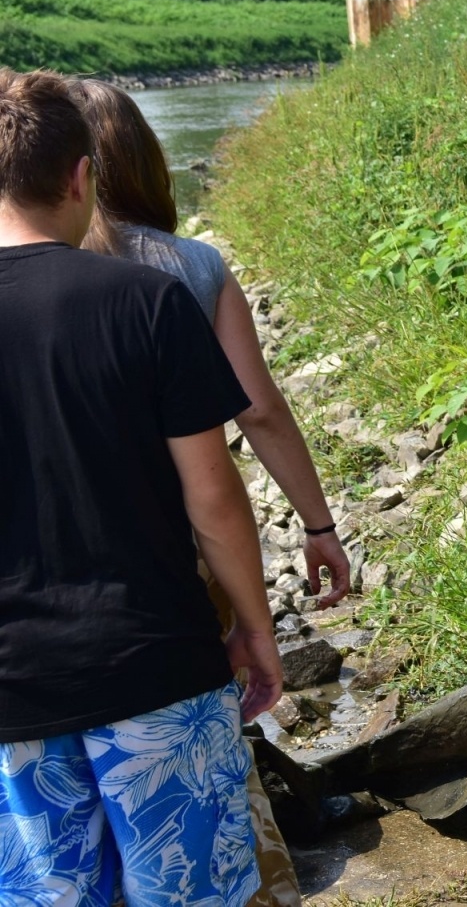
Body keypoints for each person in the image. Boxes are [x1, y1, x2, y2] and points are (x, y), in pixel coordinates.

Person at [0, 67, 281, 903]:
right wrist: (255, 626)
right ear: (81, 176)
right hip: (156, 666)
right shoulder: (149, 302)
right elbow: (213, 497)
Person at [71, 77, 349, 907]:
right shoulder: (189, 268)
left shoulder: (27, 275)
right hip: (183, 552)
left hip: (50, 564)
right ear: (141, 162)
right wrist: (318, 524)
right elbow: (258, 411)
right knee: (197, 738)